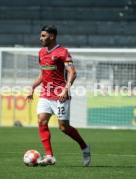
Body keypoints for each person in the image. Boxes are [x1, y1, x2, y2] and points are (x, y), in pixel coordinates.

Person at [26, 25, 91, 167]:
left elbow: (73, 73)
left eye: (43, 36)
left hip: (60, 95)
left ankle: (84, 146)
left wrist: (65, 90)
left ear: (52, 36)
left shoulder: (63, 52)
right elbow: (43, 73)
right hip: (45, 93)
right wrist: (32, 87)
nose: (40, 38)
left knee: (63, 128)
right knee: (42, 121)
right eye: (41, 35)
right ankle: (49, 156)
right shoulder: (41, 52)